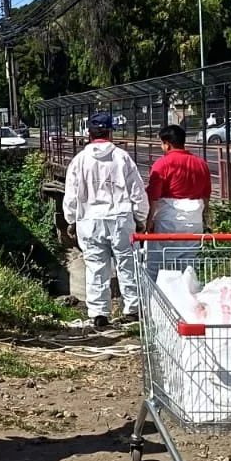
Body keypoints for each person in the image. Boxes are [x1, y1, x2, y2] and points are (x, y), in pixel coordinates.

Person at [62, 111, 148, 328]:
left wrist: (70, 219)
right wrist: (141, 218)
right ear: (110, 132)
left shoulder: (79, 160)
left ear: (89, 134)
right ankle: (133, 309)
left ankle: (99, 312)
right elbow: (136, 190)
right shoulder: (122, 157)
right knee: (127, 264)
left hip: (89, 219)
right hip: (120, 217)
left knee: (95, 266)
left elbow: (71, 194)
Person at [145, 124, 211, 234]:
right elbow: (206, 196)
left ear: (167, 144)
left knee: (163, 251)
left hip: (167, 222)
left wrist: (149, 220)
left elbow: (153, 196)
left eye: (161, 143)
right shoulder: (201, 164)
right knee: (191, 251)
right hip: (195, 222)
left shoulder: (162, 164)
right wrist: (204, 218)